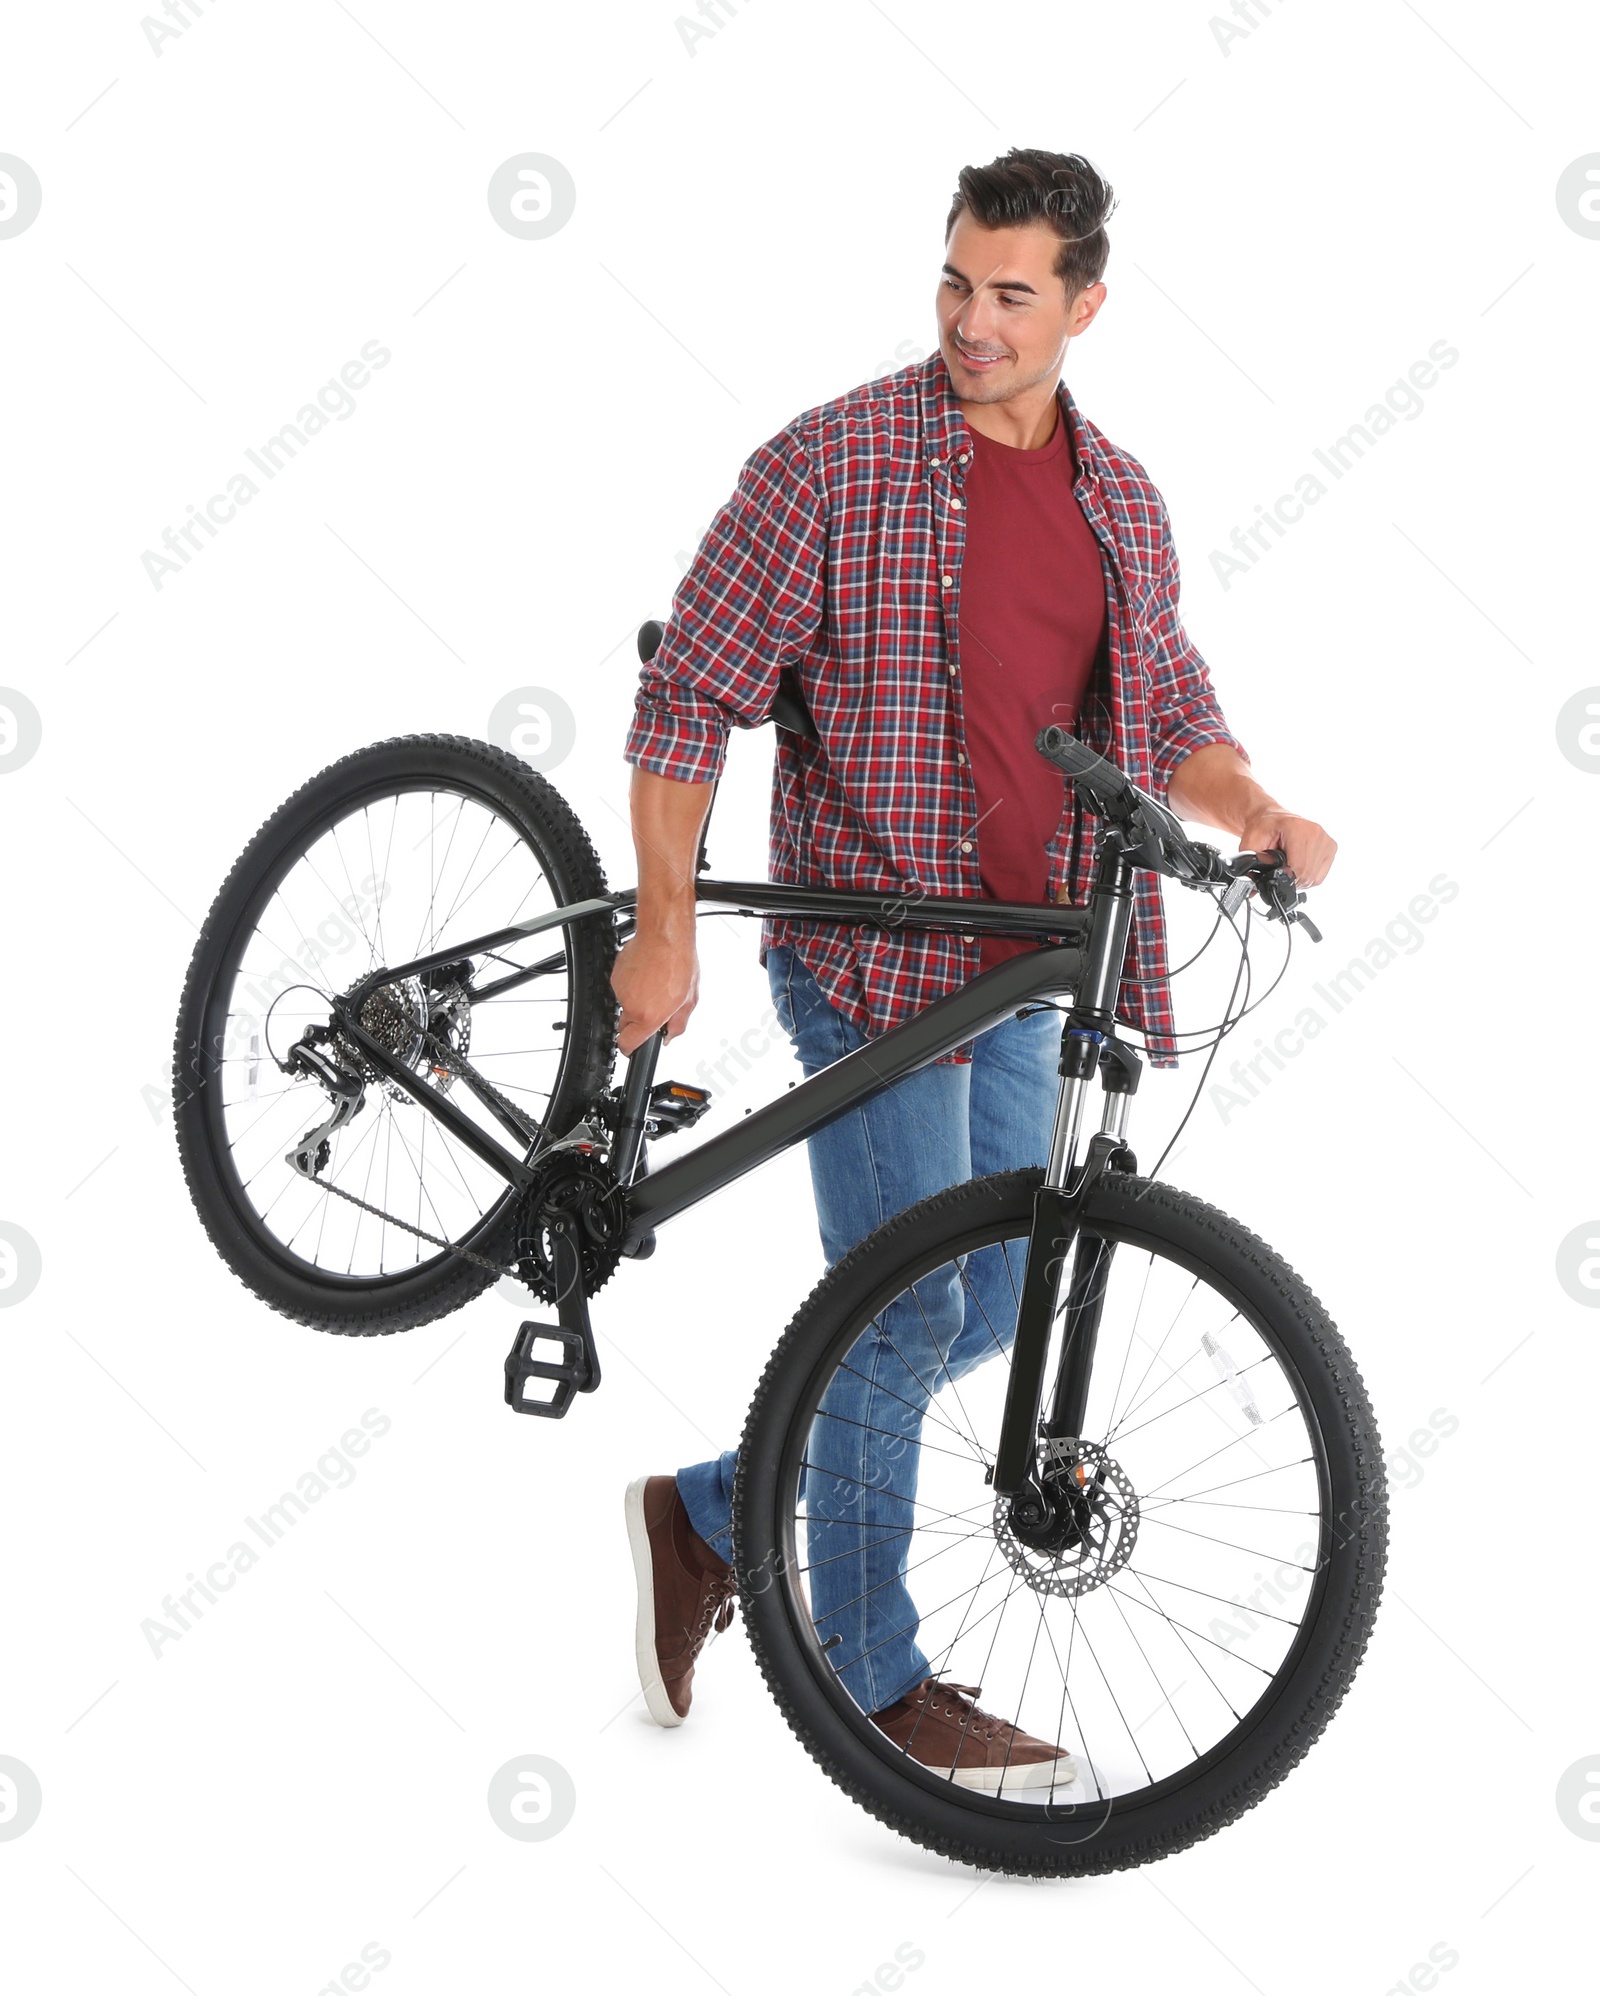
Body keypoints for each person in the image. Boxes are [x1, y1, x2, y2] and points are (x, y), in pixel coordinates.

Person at [613, 148, 1336, 1785]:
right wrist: (664, 933)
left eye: (1013, 293)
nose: (973, 320)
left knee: (994, 1297)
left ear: (1087, 304)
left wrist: (1262, 807)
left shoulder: (1118, 497)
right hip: (871, 948)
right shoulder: (834, 462)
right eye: (955, 280)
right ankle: (873, 1689)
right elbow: (684, 703)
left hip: (1035, 963)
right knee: (896, 1314)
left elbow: (1174, 711)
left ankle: (709, 1514)